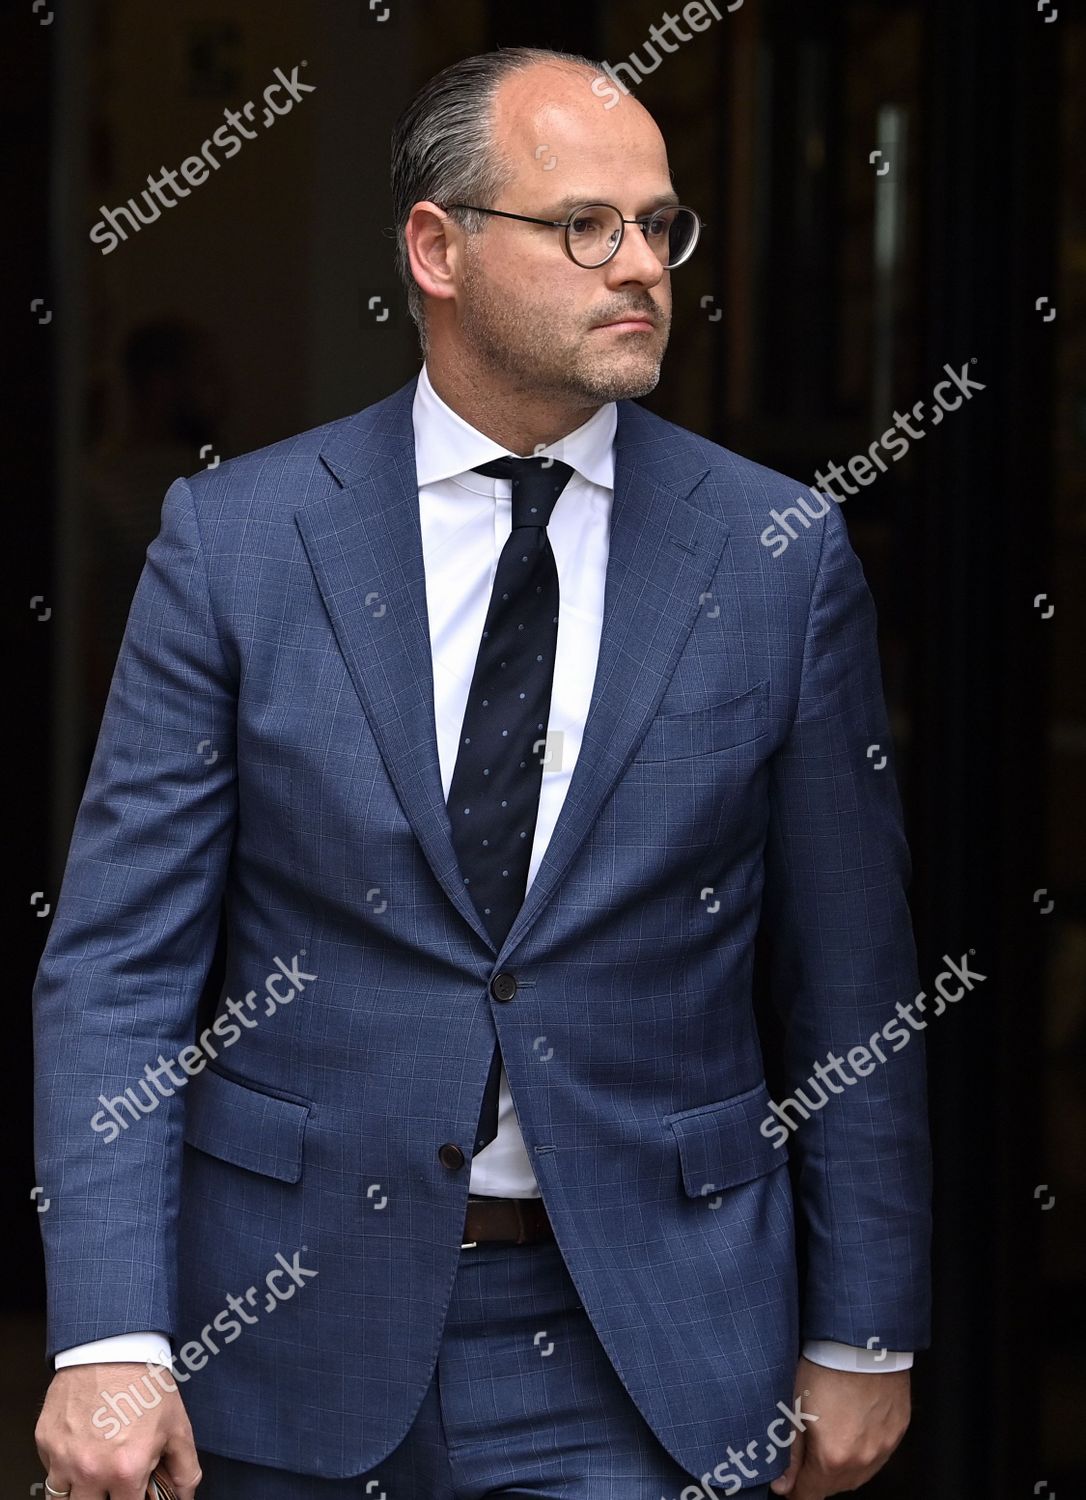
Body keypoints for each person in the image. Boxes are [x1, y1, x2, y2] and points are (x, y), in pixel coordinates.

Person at [32, 44, 931, 1500]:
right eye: (585, 224)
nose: (640, 264)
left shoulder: (774, 556)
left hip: (646, 1340)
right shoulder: (240, 544)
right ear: (435, 248)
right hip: (287, 1327)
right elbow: (119, 967)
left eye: (659, 226)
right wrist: (108, 1335)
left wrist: (867, 1327)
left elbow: (853, 976)